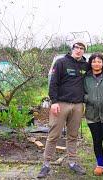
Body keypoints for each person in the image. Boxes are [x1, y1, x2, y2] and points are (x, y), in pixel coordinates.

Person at [37, 40, 89, 178]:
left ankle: (72, 162)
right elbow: (53, 82)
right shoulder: (61, 62)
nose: (79, 50)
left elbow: (98, 71)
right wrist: (53, 102)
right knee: (53, 135)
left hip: (78, 105)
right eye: (76, 47)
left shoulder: (85, 65)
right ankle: (46, 164)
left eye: (82, 48)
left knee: (73, 136)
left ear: (84, 51)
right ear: (72, 49)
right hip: (60, 104)